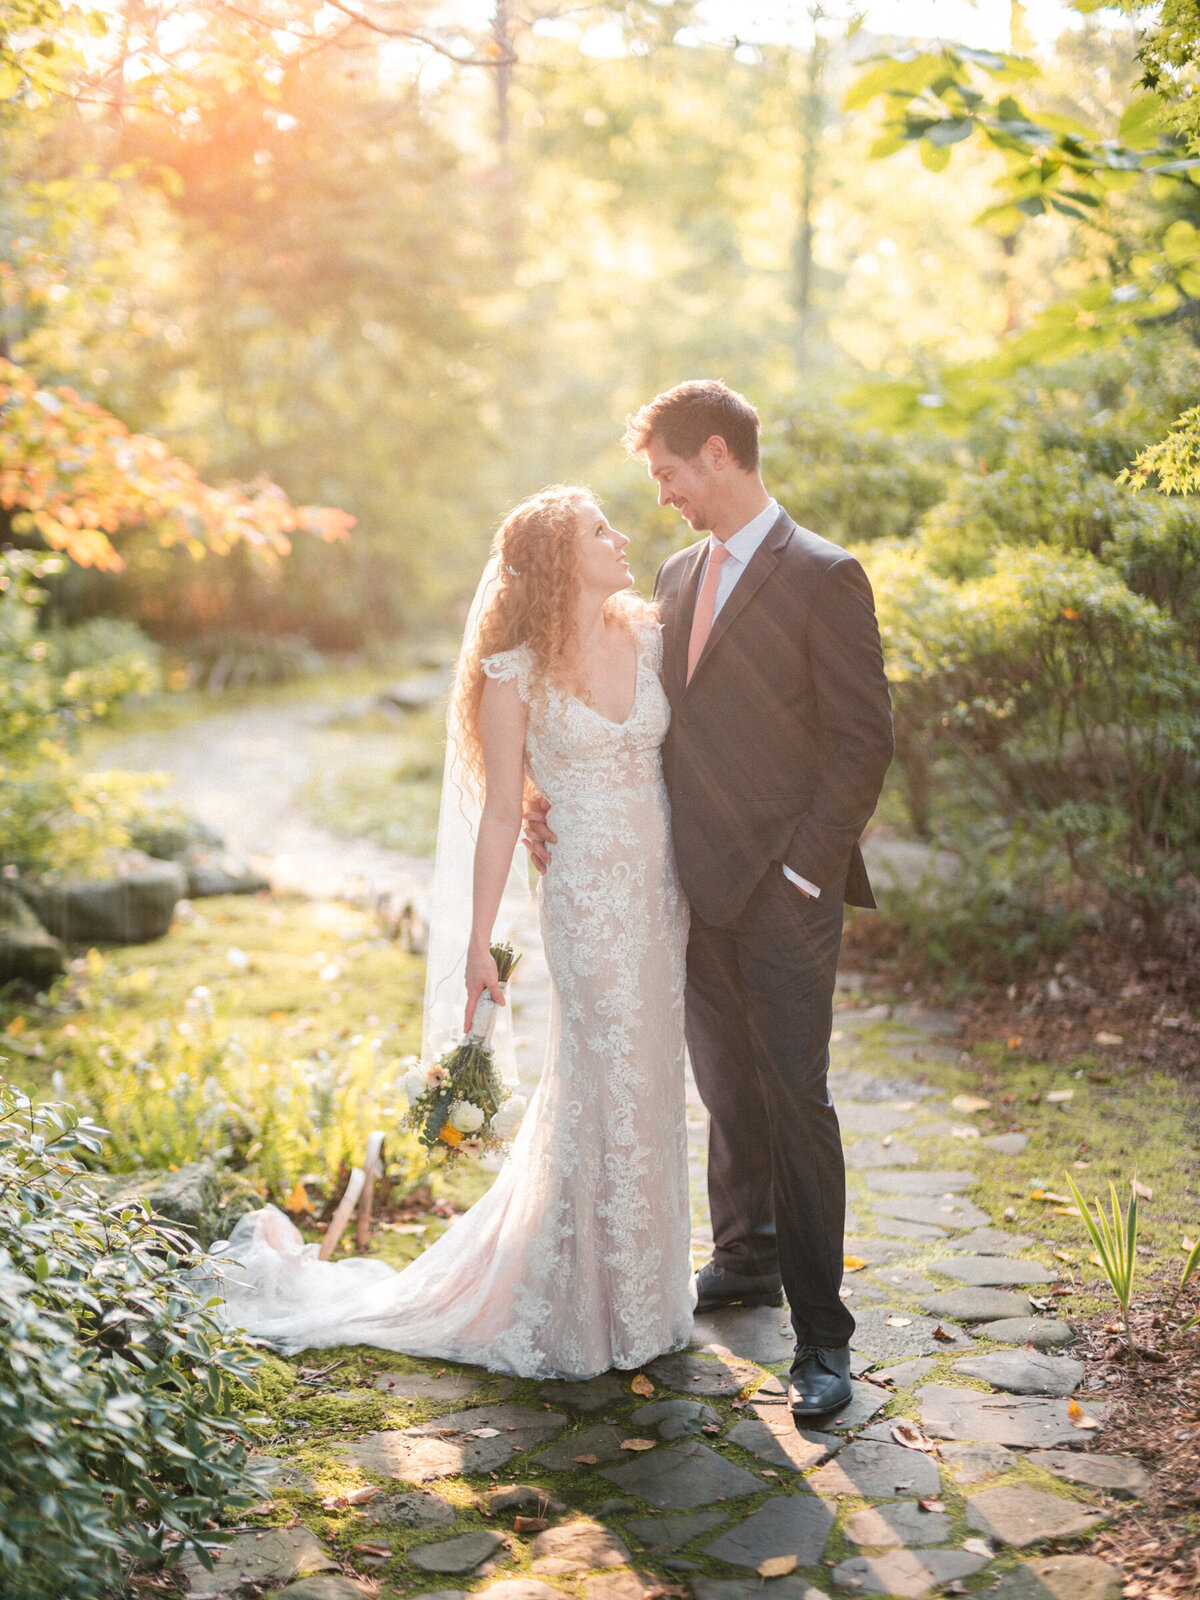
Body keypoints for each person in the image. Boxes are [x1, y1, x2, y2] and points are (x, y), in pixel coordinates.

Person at [209, 485, 694, 1381]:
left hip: (665, 899)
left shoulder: (655, 634)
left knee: (657, 1079)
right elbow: (503, 814)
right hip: (586, 903)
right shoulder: (513, 674)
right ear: (557, 561)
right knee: (604, 1076)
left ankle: (650, 1297)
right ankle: (589, 1305)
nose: (621, 537)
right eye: (598, 530)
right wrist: (478, 942)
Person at [527, 383, 894, 1419]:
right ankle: (743, 1260)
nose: (665, 499)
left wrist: (804, 869)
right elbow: (617, 708)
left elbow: (863, 740)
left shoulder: (826, 575)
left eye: (670, 475)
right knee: (727, 1088)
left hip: (788, 890)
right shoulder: (678, 577)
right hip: (684, 885)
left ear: (719, 454)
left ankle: (825, 1341)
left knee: (796, 1100)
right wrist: (538, 793)